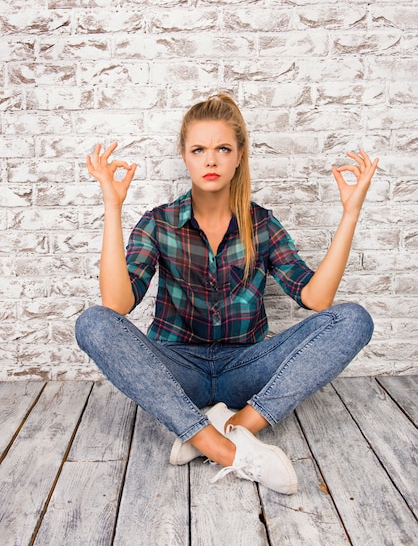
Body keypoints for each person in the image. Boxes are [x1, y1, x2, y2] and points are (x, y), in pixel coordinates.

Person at [75, 93, 379, 495]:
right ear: (185, 156)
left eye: (222, 149)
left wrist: (350, 213)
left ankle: (233, 426)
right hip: (177, 370)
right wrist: (112, 206)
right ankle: (219, 446)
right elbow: (116, 306)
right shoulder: (158, 223)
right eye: (199, 150)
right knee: (92, 322)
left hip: (246, 369)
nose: (211, 160)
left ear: (239, 156)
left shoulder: (262, 225)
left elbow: (316, 300)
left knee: (354, 318)